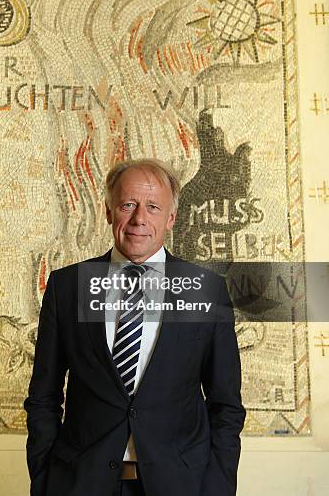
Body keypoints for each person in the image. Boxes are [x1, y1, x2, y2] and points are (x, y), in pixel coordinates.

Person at [24, 158, 246, 496]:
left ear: (171, 218)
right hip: (81, 483)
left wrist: (217, 487)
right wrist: (45, 481)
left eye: (153, 207)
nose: (139, 219)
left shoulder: (206, 290)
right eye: (128, 204)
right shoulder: (68, 287)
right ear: (109, 211)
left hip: (179, 484)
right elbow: (43, 397)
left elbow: (226, 405)